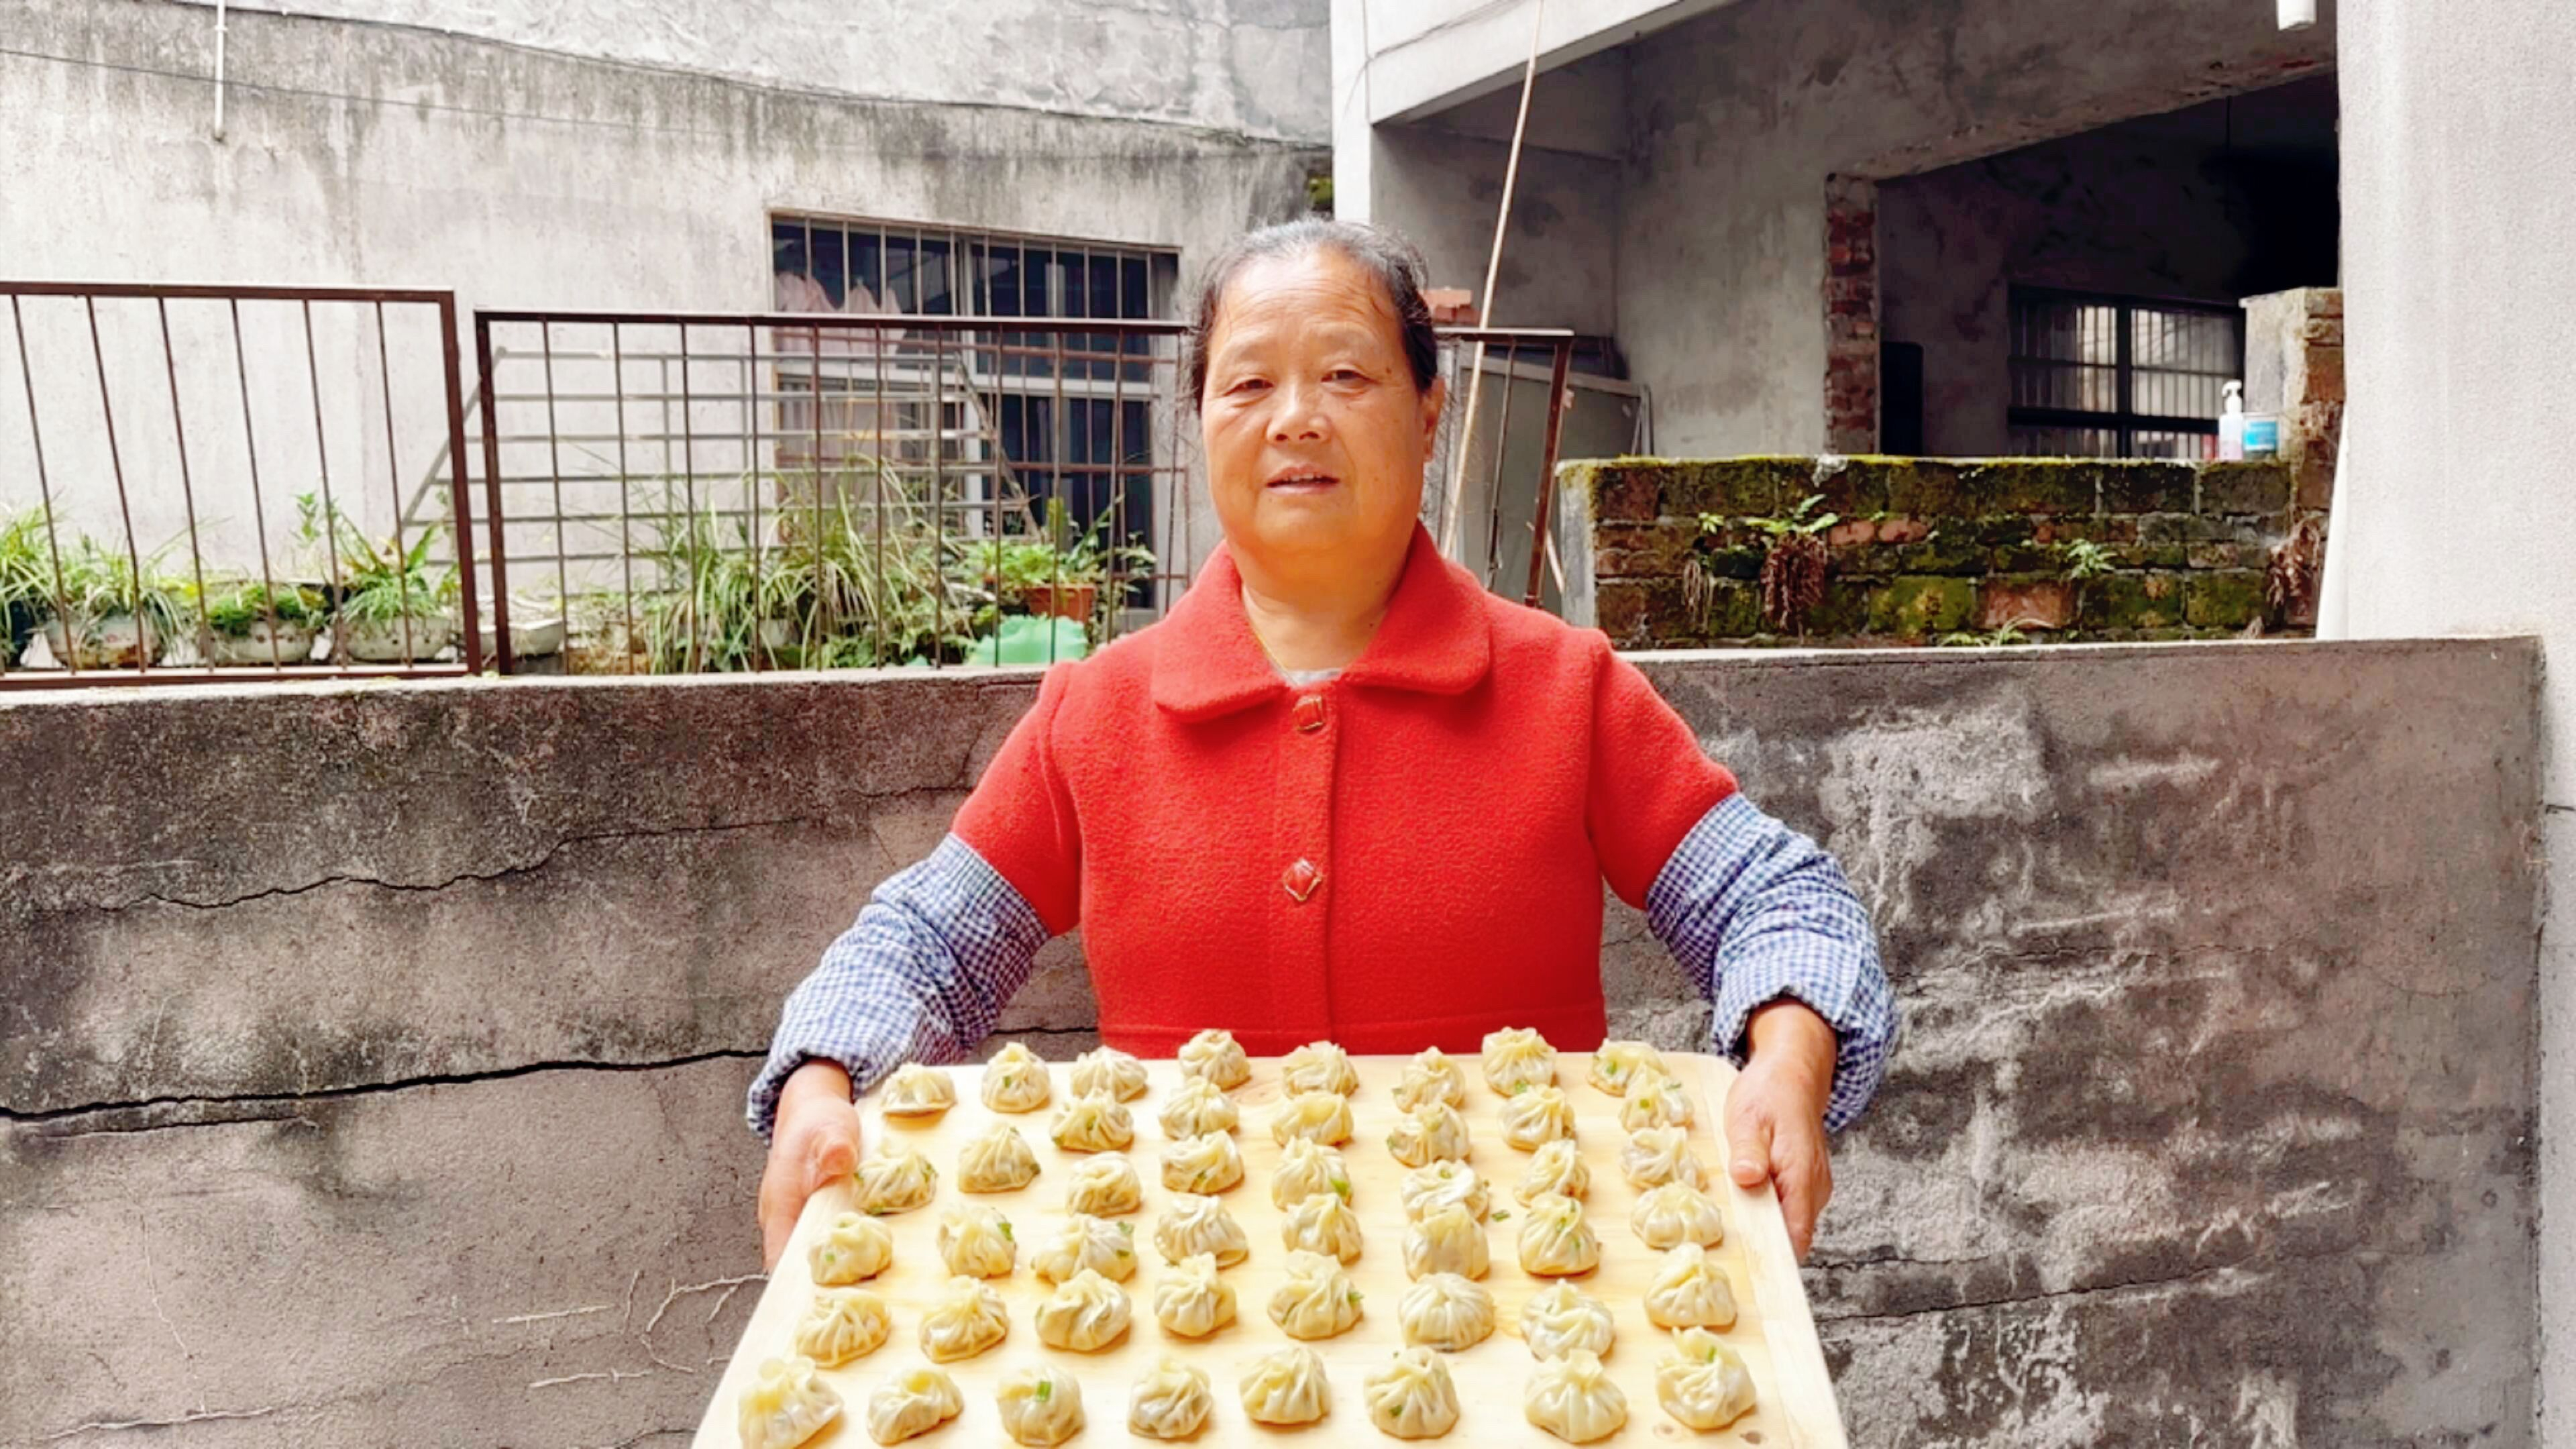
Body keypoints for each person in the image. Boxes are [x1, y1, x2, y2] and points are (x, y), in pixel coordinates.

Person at [747, 219, 1896, 1267]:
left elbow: (1773, 901)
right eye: (1248, 382)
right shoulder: (1095, 715)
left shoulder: (1565, 691)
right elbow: (927, 945)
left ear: (1430, 411)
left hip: (1527, 1315)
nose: (1296, 416)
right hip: (1180, 1331)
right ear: (1201, 420)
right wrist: (820, 1082)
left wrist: (1789, 1055)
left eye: (1346, 374)